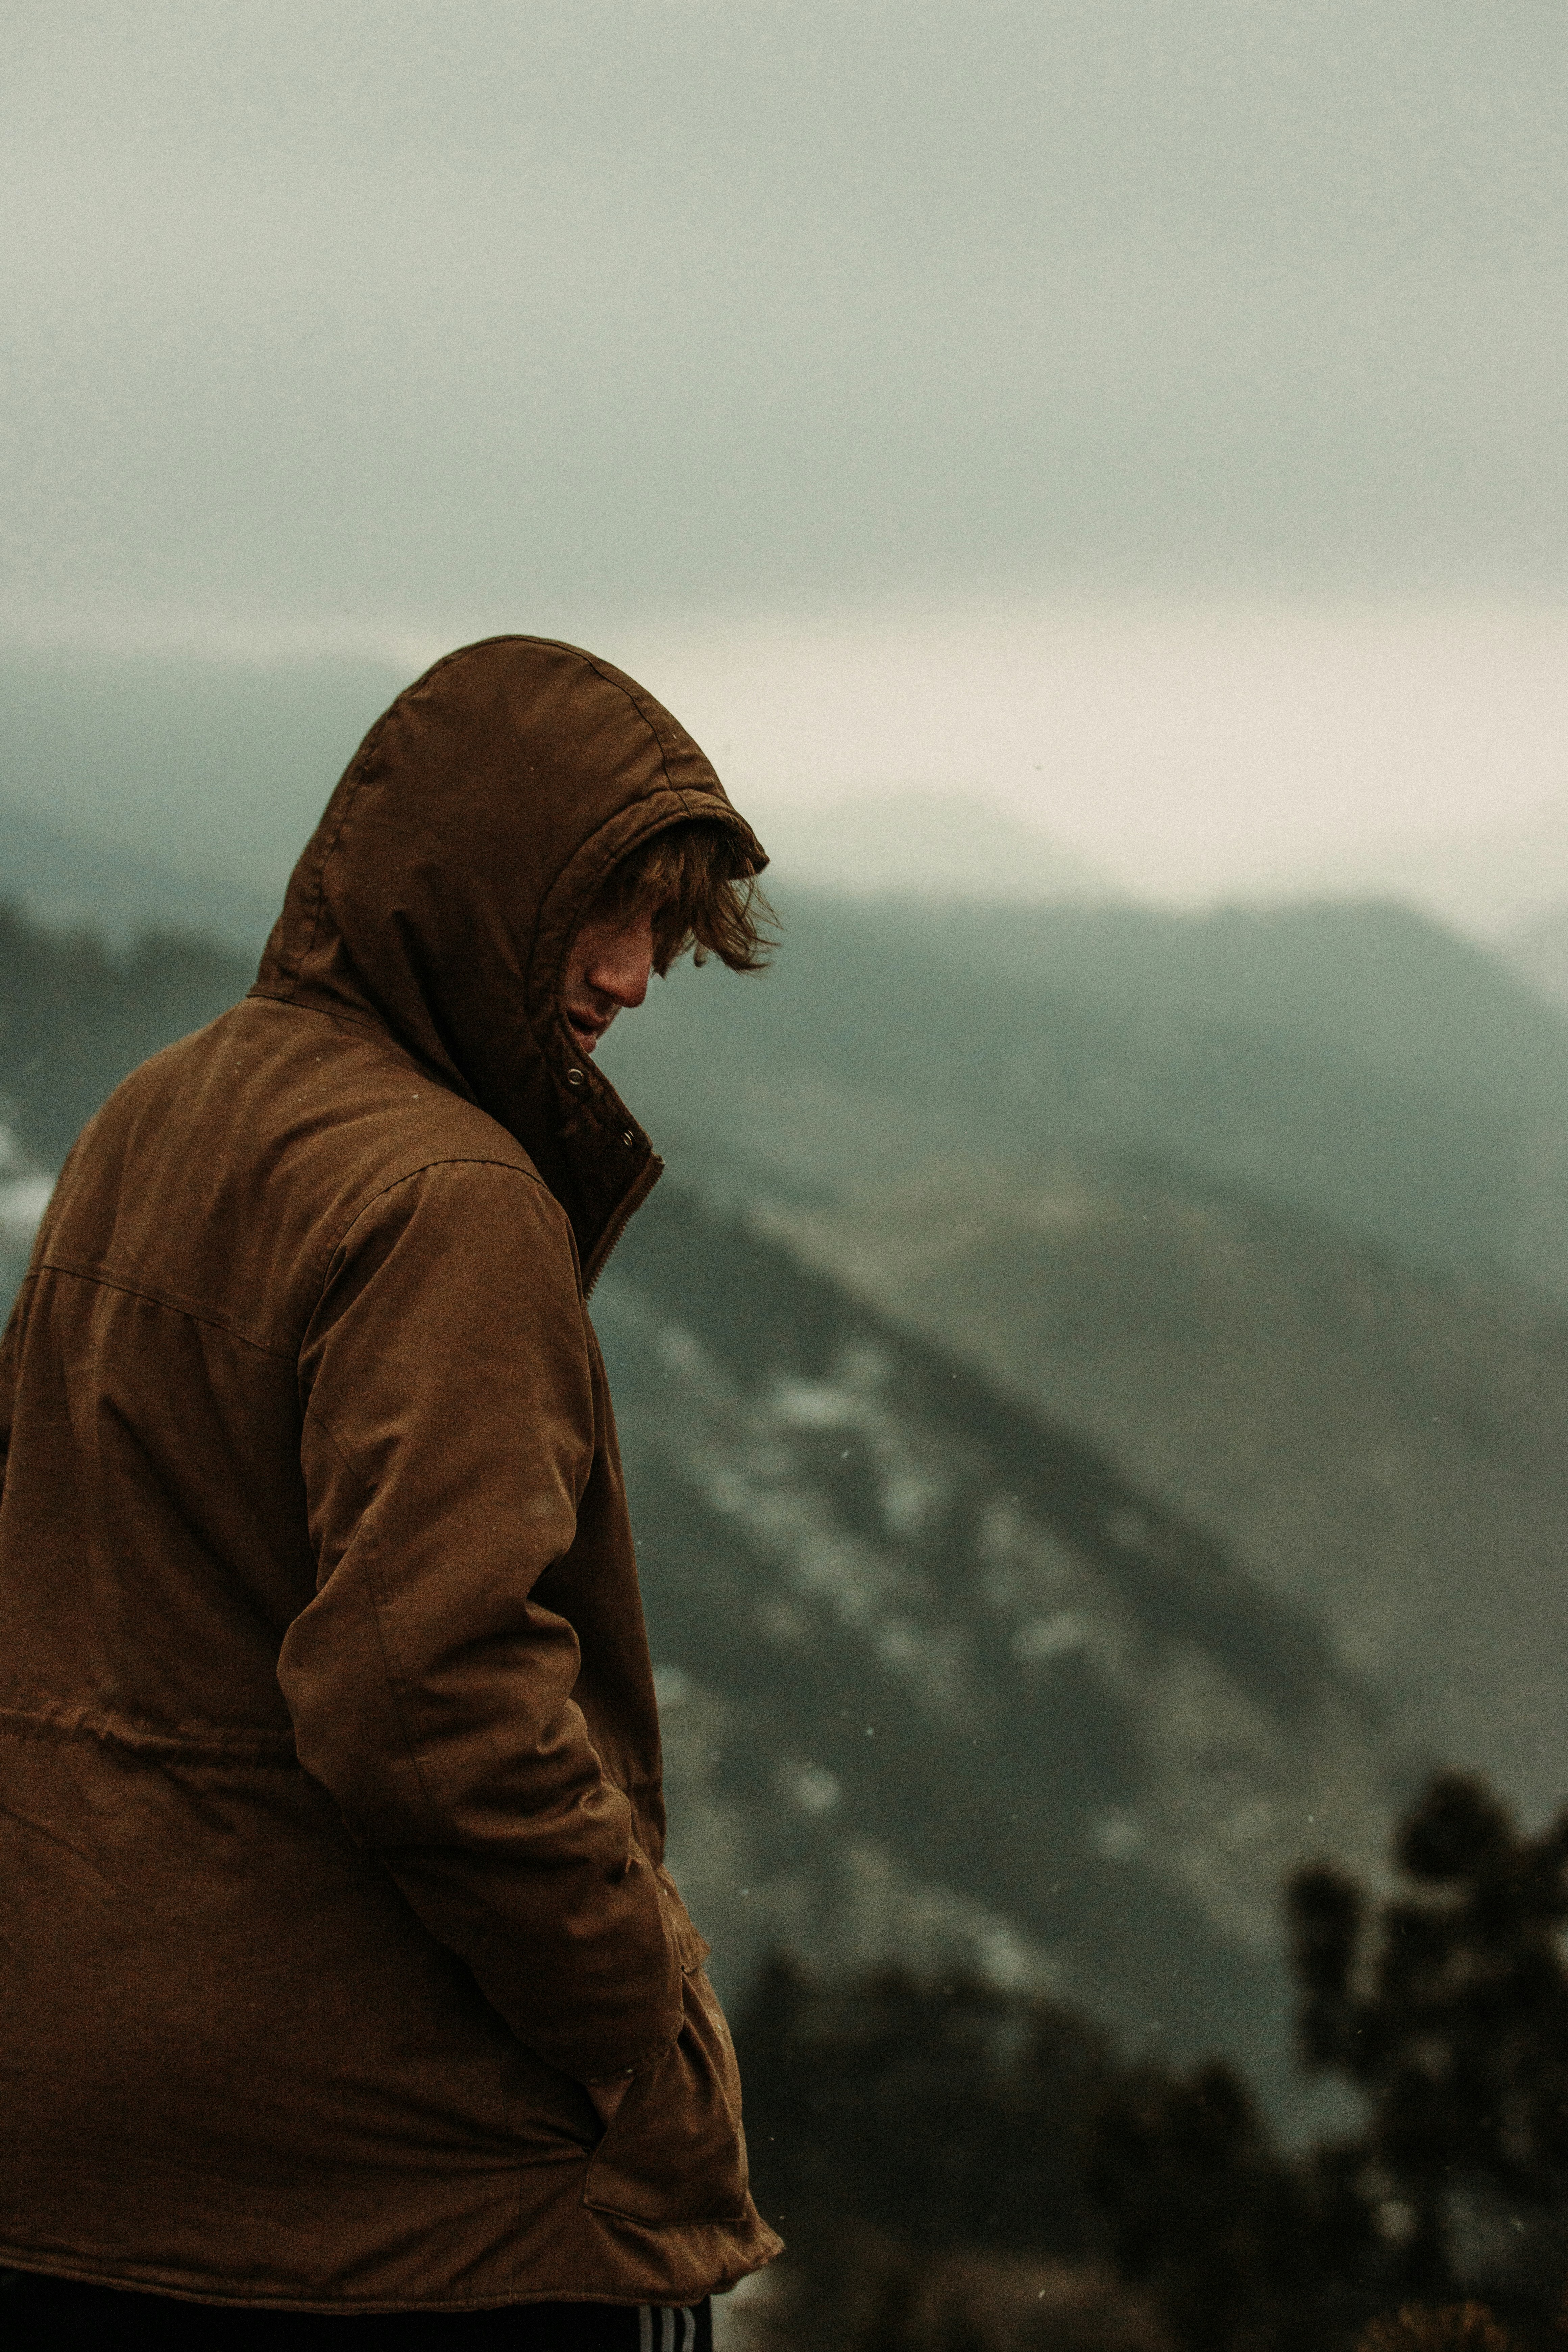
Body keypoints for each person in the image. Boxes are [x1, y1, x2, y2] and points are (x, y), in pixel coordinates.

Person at [0, 637, 784, 2346]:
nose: (638, 977)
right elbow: (425, 1699)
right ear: (479, 884)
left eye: (667, 934)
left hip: (80, 2133)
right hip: (388, 2193)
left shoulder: (154, 1113)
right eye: (614, 910)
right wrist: (631, 2000)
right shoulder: (449, 1199)